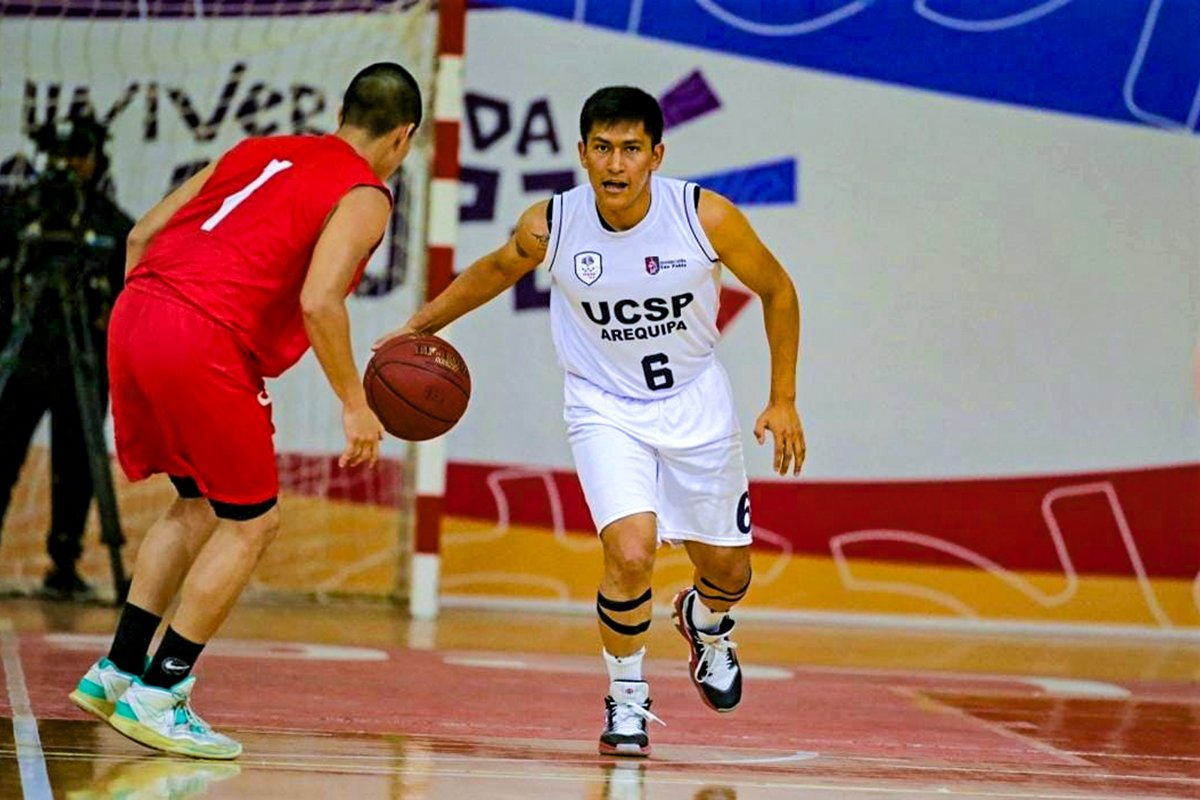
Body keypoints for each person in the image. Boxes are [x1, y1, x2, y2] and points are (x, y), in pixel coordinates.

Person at [377, 86, 805, 756]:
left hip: (695, 402)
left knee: (729, 571)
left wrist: (783, 398)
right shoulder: (551, 225)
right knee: (629, 552)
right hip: (604, 407)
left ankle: (707, 623)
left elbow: (779, 289)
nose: (616, 163)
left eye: (631, 149)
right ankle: (626, 696)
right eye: (602, 148)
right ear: (581, 153)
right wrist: (415, 327)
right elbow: (492, 271)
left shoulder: (704, 217)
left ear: (656, 155)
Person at [66, 62, 422, 760]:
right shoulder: (367, 192)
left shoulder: (256, 149)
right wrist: (356, 404)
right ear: (402, 138)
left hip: (136, 312)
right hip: (201, 336)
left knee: (197, 502)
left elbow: (141, 235)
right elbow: (320, 300)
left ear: (343, 112)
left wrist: (159, 318)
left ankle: (116, 671)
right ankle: (161, 693)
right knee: (254, 522)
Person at [0, 113, 133, 600]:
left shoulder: (112, 225)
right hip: (18, 356)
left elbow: (128, 297)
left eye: (78, 155)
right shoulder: (15, 214)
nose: (67, 166)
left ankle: (64, 563)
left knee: (77, 464)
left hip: (83, 361)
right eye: (58, 156)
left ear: (97, 160)